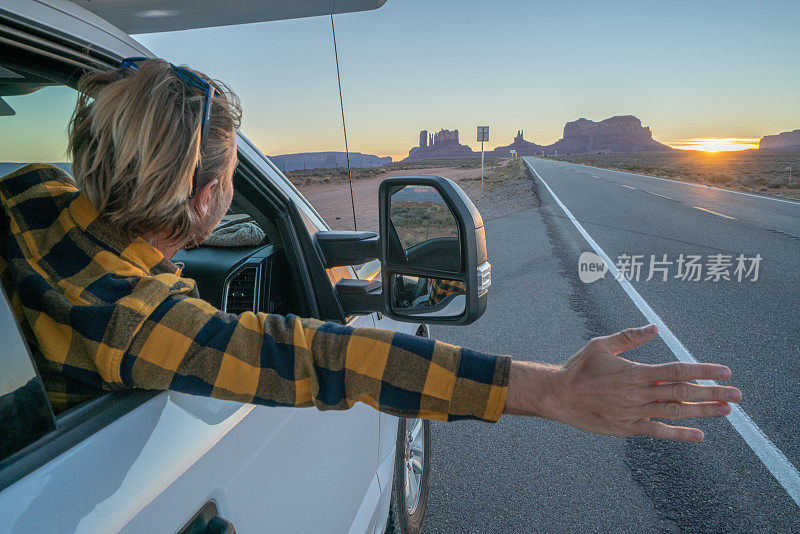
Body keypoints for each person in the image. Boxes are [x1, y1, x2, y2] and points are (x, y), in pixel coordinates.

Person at [0, 58, 741, 441]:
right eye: (228, 180)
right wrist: (557, 390)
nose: (226, 195)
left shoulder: (28, 191)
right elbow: (332, 359)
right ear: (204, 201)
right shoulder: (141, 324)